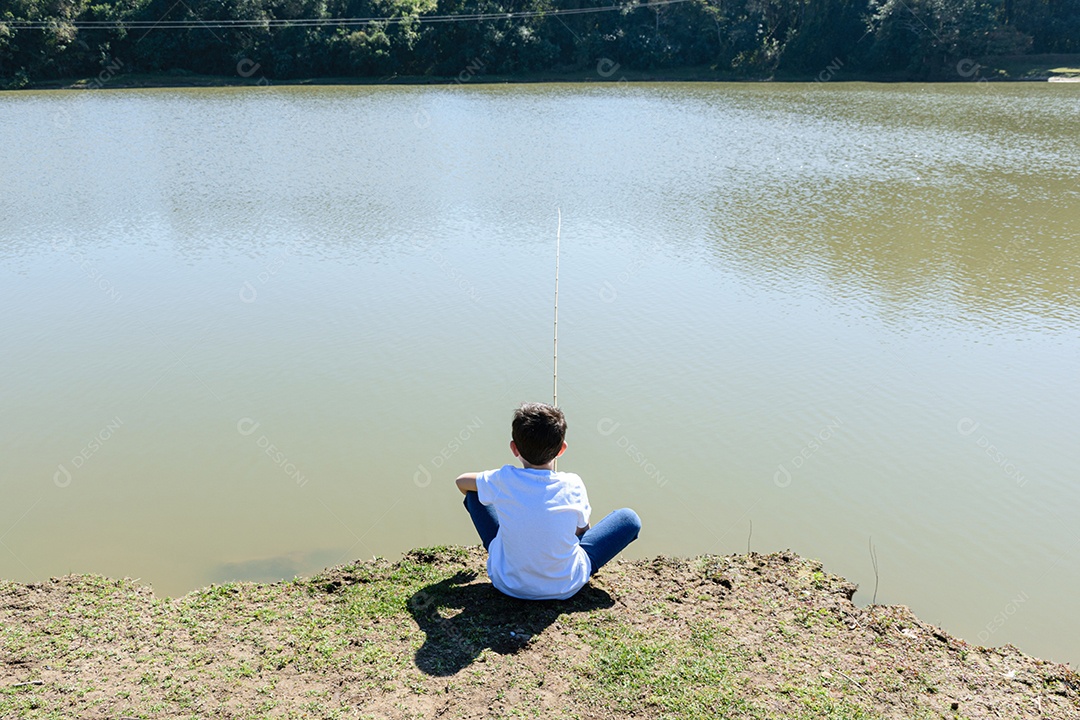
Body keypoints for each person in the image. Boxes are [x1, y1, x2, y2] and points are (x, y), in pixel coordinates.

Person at [455, 402, 641, 600]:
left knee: (475, 492)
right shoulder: (573, 483)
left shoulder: (503, 478)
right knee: (629, 519)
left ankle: (507, 553)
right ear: (562, 449)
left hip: (507, 583)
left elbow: (461, 482)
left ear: (514, 448)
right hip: (565, 586)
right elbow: (582, 531)